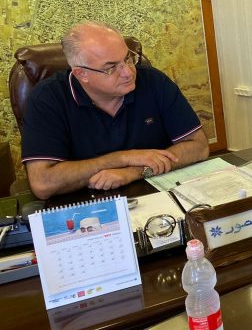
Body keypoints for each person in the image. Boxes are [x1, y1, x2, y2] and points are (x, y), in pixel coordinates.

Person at [21, 21, 209, 199]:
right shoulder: (47, 99)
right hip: (88, 205)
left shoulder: (153, 81)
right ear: (81, 74)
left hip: (156, 194)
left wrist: (134, 171)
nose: (128, 72)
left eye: (127, 58)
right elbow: (43, 184)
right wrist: (124, 158)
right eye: (111, 68)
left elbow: (199, 147)